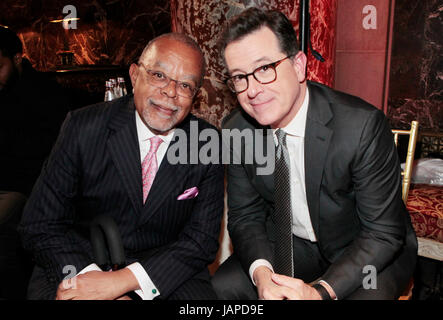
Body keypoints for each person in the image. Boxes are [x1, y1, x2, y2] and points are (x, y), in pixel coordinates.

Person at [212, 8, 417, 300]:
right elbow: (245, 217)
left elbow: (383, 233)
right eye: (240, 77)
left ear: (298, 66)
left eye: (264, 69)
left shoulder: (360, 126)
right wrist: (262, 276)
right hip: (295, 244)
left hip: (367, 248)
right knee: (225, 285)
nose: (252, 90)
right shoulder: (237, 130)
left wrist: (319, 293)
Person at [18, 32, 224, 300]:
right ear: (135, 75)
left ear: (195, 96)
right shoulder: (84, 127)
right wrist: (90, 280)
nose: (171, 92)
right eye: (159, 76)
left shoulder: (206, 143)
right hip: (81, 259)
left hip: (165, 270)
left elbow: (201, 241)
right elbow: (39, 224)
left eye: (185, 85)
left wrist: (123, 283)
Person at [0, 27, 69, 299]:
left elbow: (45, 158)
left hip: (26, 188)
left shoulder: (45, 94)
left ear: (17, 58)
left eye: (0, 67)